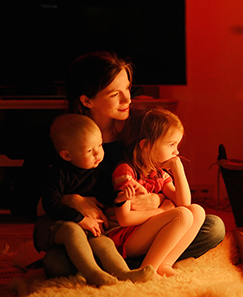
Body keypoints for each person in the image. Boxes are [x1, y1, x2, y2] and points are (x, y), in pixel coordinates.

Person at [32, 51, 225, 277]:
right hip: (93, 233)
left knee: (213, 227)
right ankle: (128, 265)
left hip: (138, 228)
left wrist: (158, 199)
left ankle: (135, 264)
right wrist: (72, 200)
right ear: (86, 100)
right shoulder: (58, 138)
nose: (127, 100)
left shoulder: (133, 135)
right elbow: (24, 203)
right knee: (58, 263)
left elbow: (155, 180)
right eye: (115, 94)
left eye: (128, 89)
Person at [34, 113, 154, 286]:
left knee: (103, 241)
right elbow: (50, 204)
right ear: (67, 155)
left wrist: (120, 196)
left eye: (100, 145)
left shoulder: (96, 169)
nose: (98, 153)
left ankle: (124, 273)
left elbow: (102, 195)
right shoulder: (58, 174)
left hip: (85, 226)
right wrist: (80, 219)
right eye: (90, 150)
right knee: (71, 231)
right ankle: (93, 274)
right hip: (53, 226)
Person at [106, 107, 205, 277]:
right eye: (171, 144)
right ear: (145, 145)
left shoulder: (158, 172)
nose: (177, 151)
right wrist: (161, 211)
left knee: (197, 211)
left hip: (144, 231)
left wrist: (177, 168)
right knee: (181, 215)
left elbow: (185, 203)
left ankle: (164, 264)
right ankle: (147, 269)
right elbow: (124, 219)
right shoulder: (126, 171)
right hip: (125, 237)